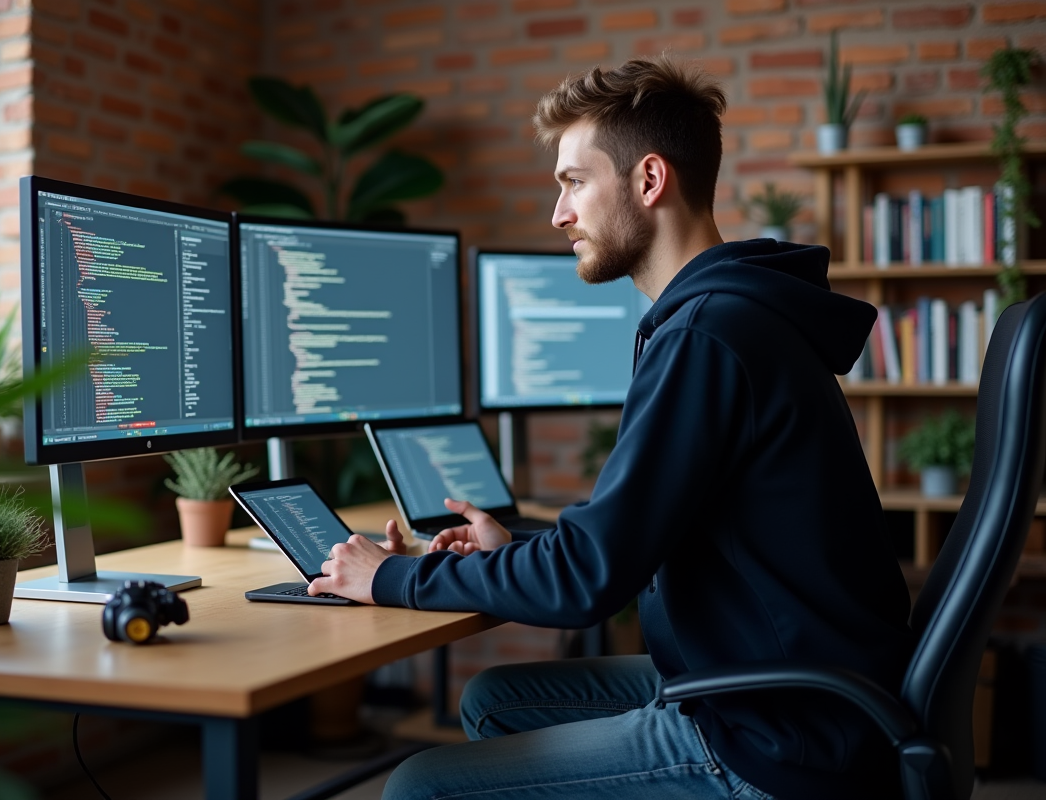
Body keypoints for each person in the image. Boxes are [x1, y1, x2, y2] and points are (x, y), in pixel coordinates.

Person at [308, 55, 914, 800]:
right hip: (790, 689)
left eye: (573, 182)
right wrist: (517, 550)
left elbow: (589, 577)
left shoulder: (708, 336)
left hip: (777, 733)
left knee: (419, 787)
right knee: (494, 701)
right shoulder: (728, 317)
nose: (558, 214)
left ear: (649, 179)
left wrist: (390, 576)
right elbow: (625, 540)